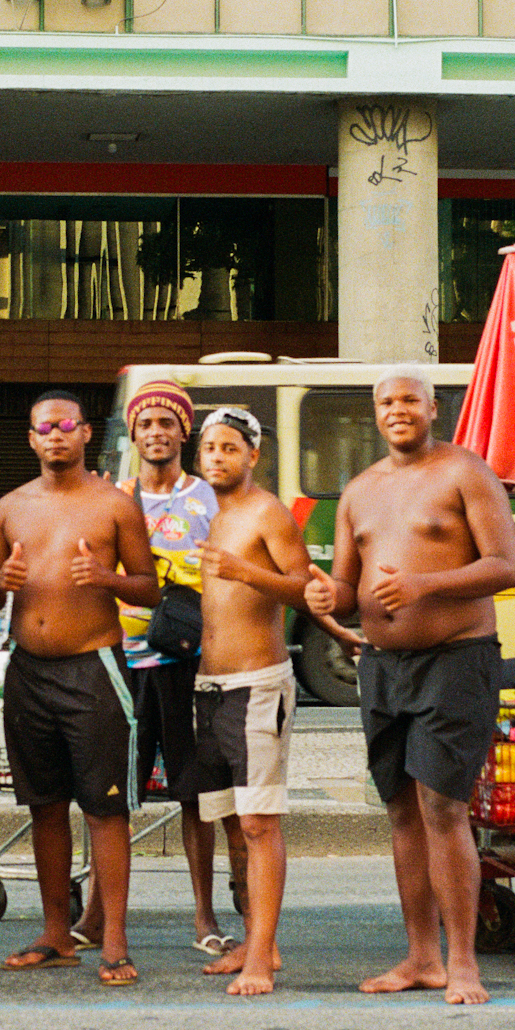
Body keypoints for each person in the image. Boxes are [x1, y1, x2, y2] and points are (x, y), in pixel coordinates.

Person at [304, 366, 515, 1004]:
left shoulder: (465, 472)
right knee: (400, 809)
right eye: (385, 402)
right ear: (374, 413)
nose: (396, 410)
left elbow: (505, 565)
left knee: (443, 808)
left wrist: (424, 585)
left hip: (455, 660)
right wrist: (327, 597)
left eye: (409, 400)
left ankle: (464, 963)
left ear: (432, 409)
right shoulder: (359, 491)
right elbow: (347, 589)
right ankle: (422, 957)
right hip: (383, 666)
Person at [0, 391, 159, 986]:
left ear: (85, 434)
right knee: (45, 806)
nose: (55, 434)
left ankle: (114, 941)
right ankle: (57, 934)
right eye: (44, 427)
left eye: (66, 425)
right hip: (28, 671)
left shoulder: (114, 505)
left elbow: (150, 588)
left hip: (94, 669)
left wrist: (105, 578)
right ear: (31, 438)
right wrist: (0, 582)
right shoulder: (9, 508)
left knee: (105, 808)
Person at [73, 378, 241, 959]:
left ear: (183, 431)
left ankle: (204, 915)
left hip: (188, 663)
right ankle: (96, 915)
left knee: (195, 793)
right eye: (145, 423)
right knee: (111, 793)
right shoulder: (113, 497)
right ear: (133, 433)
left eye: (166, 422)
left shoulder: (208, 499)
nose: (156, 433)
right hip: (121, 662)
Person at [189, 408, 312, 996]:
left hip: (257, 684)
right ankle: (255, 940)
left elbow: (307, 589)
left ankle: (261, 956)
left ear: (253, 456)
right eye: (210, 447)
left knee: (260, 823)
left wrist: (245, 570)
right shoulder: (206, 513)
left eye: (230, 448)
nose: (217, 456)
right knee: (234, 823)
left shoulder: (267, 513)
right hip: (209, 688)